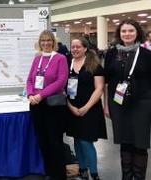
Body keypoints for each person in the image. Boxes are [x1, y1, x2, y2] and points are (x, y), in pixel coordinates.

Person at [104, 19, 151, 180]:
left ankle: (138, 177)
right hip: (118, 103)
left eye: (131, 30)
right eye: (124, 31)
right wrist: (106, 105)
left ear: (137, 32)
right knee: (124, 140)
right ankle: (126, 176)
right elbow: (107, 81)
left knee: (140, 142)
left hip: (142, 104)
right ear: (119, 34)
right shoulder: (112, 53)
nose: (127, 34)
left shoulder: (146, 54)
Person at [26, 30, 68, 180]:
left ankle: (59, 175)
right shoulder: (37, 58)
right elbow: (29, 79)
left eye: (48, 40)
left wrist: (40, 95)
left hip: (53, 106)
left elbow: (60, 82)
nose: (46, 43)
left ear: (53, 42)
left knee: (55, 142)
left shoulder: (60, 58)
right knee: (42, 140)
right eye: (43, 41)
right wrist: (30, 94)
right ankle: (49, 172)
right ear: (39, 42)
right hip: (37, 105)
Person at [66, 37, 107, 180]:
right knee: (77, 140)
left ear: (85, 48)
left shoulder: (94, 65)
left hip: (90, 109)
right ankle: (83, 170)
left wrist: (85, 108)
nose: (75, 49)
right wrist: (70, 107)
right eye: (73, 47)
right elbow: (62, 88)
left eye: (78, 47)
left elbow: (99, 88)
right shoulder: (67, 63)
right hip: (71, 109)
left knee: (85, 141)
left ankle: (94, 173)